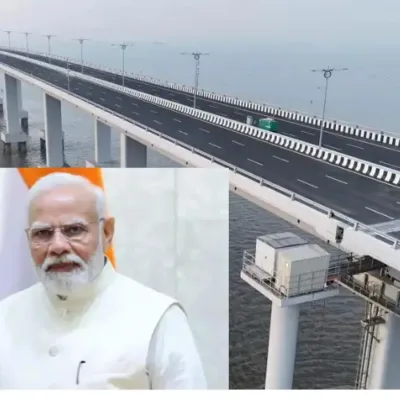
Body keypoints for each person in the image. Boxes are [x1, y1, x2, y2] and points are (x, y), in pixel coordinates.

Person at [0, 172, 207, 389]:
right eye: (42, 233)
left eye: (74, 230)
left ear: (106, 233)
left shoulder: (158, 319)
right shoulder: (5, 315)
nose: (58, 246)